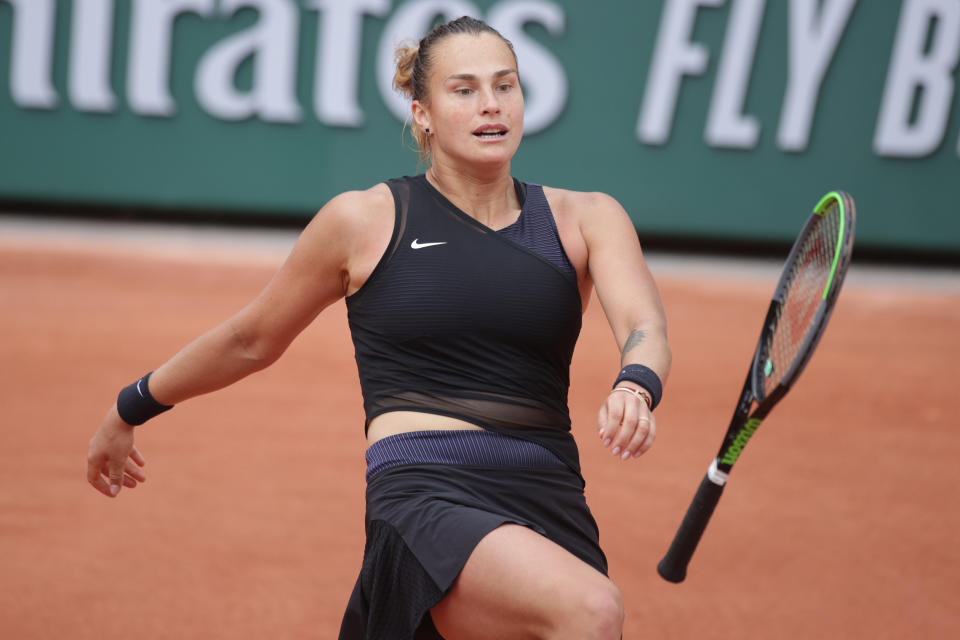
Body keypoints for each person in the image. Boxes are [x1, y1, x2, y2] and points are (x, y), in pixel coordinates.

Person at [86, 15, 670, 640]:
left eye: (506, 85)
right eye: (464, 90)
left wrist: (636, 383)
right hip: (425, 486)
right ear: (422, 113)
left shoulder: (587, 218)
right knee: (591, 610)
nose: (491, 105)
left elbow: (644, 324)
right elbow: (250, 339)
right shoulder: (362, 220)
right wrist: (131, 406)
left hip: (549, 488)